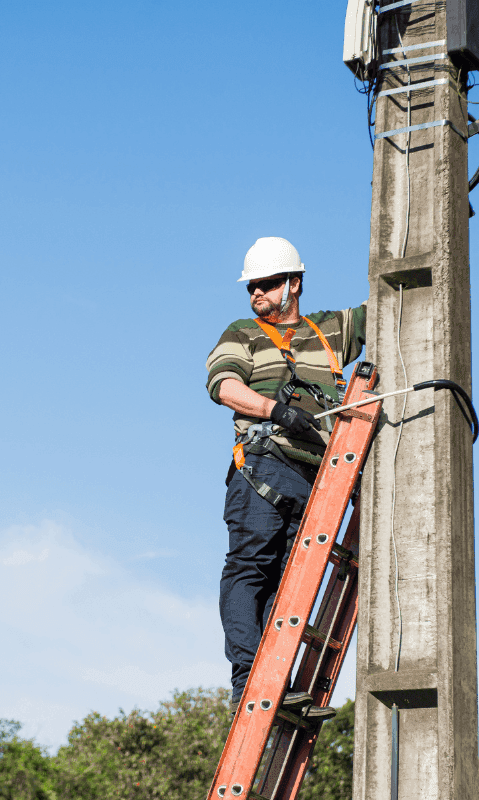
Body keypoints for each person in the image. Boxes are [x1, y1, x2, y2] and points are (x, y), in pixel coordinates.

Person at [205, 236, 365, 714]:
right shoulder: (243, 332)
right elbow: (224, 386)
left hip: (317, 480)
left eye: (268, 284)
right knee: (250, 569)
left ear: (294, 283)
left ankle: (278, 682)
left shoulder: (332, 331)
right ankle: (247, 682)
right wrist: (275, 410)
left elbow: (394, 300)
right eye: (252, 286)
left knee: (291, 584)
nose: (257, 293)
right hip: (262, 469)